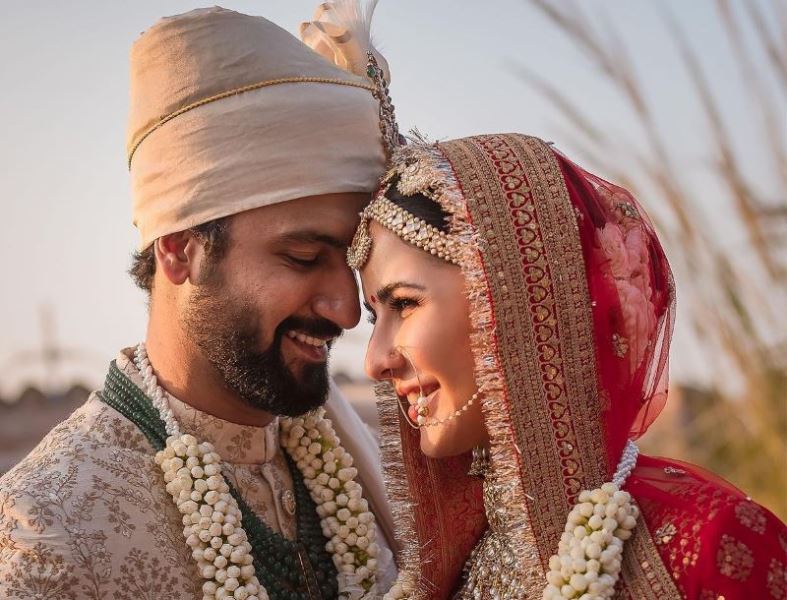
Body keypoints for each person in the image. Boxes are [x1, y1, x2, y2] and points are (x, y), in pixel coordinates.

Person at [0, 4, 400, 599]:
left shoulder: (363, 466)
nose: (346, 311)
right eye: (302, 257)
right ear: (178, 250)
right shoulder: (49, 533)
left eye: (354, 262)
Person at [352, 134, 787, 599]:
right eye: (375, 317)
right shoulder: (461, 567)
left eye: (405, 303)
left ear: (514, 301)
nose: (375, 361)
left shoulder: (705, 543)